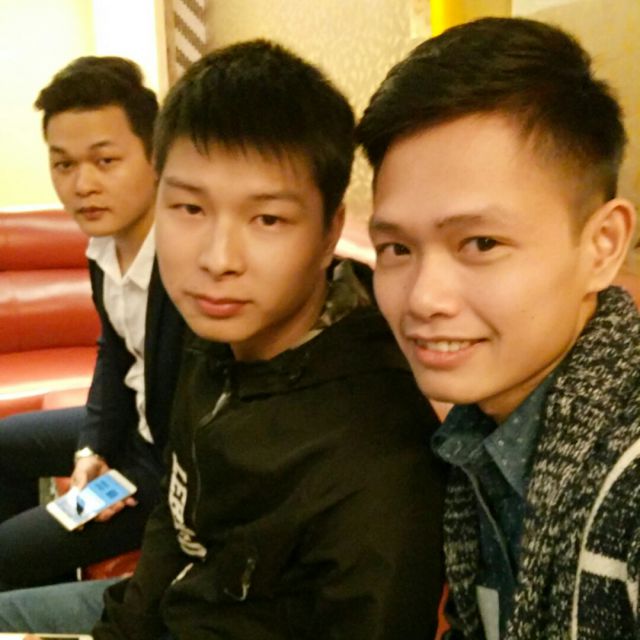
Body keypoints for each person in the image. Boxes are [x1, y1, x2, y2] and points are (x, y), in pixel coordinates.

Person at [0, 39, 446, 638]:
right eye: (190, 209)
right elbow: (173, 521)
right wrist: (91, 452)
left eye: (267, 219)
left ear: (329, 232)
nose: (218, 259)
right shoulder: (212, 335)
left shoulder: (374, 458)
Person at [357, 16, 639, 640]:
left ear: (602, 246)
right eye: (397, 249)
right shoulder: (481, 434)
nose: (423, 299)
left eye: (481, 243)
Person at [0, 56, 184, 588]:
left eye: (105, 161)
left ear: (156, 156)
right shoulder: (104, 246)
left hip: (166, 467)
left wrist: (123, 476)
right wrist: (91, 449)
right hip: (130, 430)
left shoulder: (190, 263)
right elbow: (114, 351)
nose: (82, 184)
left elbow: (200, 434)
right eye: (64, 165)